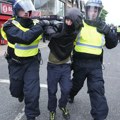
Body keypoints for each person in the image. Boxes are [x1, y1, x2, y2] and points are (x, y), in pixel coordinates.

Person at [68, 0, 118, 120]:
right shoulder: (79, 24)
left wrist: (108, 32)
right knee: (76, 85)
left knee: (97, 90)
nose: (93, 12)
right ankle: (71, 95)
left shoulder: (102, 26)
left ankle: (99, 117)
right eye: (91, 9)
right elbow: (67, 41)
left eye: (96, 10)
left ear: (99, 11)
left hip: (95, 65)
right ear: (86, 10)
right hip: (79, 63)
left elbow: (112, 44)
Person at [1, 0, 48, 120]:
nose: (26, 12)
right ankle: (20, 94)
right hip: (15, 63)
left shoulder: (36, 23)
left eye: (28, 10)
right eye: (23, 10)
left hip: (32, 63)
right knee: (15, 91)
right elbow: (24, 38)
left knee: (32, 92)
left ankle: (31, 116)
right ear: (17, 11)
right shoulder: (9, 25)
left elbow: (52, 34)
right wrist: (40, 27)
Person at [46, 8, 83, 120]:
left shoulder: (75, 32)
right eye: (67, 20)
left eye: (71, 21)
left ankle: (62, 106)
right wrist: (50, 31)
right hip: (52, 65)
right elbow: (49, 27)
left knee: (66, 90)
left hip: (65, 66)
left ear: (75, 23)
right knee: (52, 91)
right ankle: (52, 110)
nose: (68, 23)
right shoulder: (59, 27)